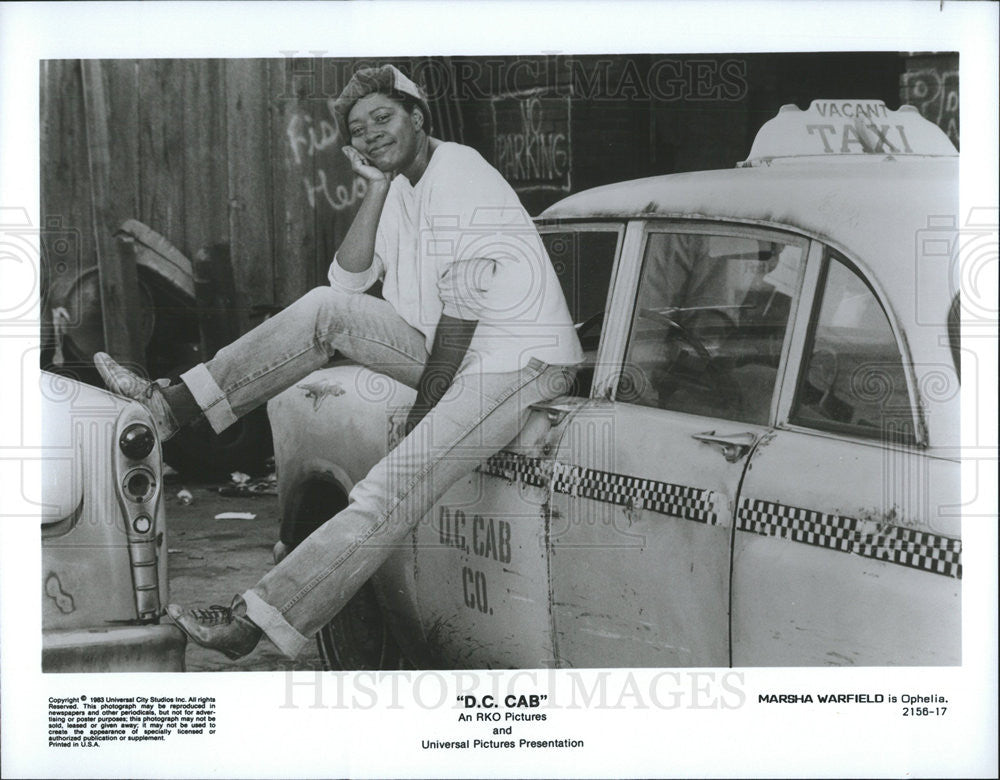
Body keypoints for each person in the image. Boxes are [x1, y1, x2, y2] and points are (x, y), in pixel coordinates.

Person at [94, 64, 582, 661]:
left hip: (516, 359)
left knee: (388, 488)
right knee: (326, 309)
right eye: (360, 127)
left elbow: (461, 315)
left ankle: (257, 618)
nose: (374, 132)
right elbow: (347, 281)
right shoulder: (401, 185)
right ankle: (170, 407)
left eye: (384, 116)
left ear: (417, 118)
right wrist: (376, 189)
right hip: (453, 348)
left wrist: (423, 414)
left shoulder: (460, 174)